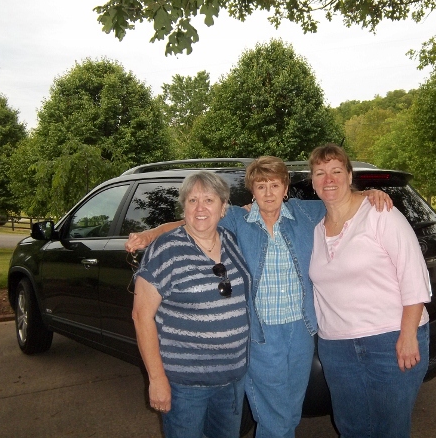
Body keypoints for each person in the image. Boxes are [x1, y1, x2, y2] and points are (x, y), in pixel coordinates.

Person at [126, 156, 392, 438]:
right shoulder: (239, 220)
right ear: (252, 190)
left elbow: (339, 201)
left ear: (285, 188)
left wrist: (368, 194)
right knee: (274, 417)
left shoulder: (304, 214)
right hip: (262, 334)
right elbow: (197, 219)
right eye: (261, 186)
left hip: (302, 331)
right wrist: (152, 233)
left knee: (290, 412)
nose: (268, 193)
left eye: (274, 185)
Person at [307, 144, 431, 438]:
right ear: (312, 181)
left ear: (349, 176)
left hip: (390, 340)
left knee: (390, 429)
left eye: (336, 171)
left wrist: (409, 335)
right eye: (320, 173)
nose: (329, 179)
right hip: (337, 348)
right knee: (351, 427)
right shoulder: (315, 229)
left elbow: (414, 275)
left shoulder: (380, 214)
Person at [131, 171, 250, 438]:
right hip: (185, 385)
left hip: (232, 381)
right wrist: (157, 379)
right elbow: (141, 316)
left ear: (223, 207)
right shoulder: (165, 250)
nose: (200, 208)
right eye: (192, 200)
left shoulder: (232, 241)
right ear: (183, 207)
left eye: (209, 200)